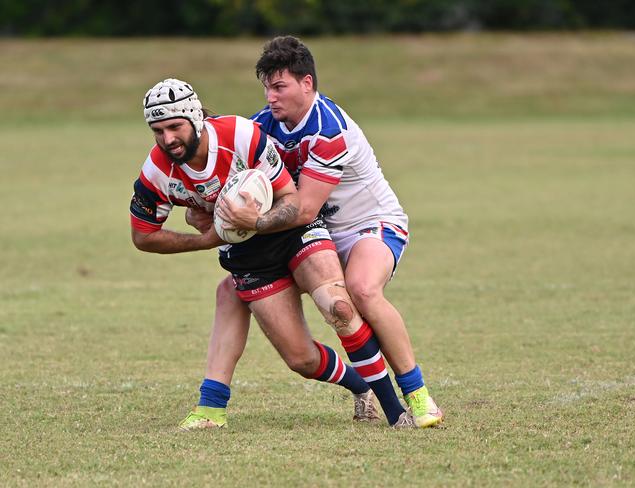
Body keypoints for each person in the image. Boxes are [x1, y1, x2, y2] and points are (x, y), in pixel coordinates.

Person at [187, 36, 444, 428]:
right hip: (313, 233)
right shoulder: (262, 127)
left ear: (307, 84)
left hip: (369, 225)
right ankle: (210, 407)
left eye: (280, 87)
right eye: (267, 88)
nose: (271, 97)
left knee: (361, 289)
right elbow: (238, 184)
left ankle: (419, 397)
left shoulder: (328, 129)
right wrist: (211, 212)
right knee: (233, 293)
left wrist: (249, 221)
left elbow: (303, 207)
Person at [130, 78, 414, 430]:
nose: (168, 138)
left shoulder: (240, 135)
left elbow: (292, 200)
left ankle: (397, 413)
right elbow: (143, 236)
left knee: (338, 306)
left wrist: (258, 221)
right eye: (157, 130)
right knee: (302, 360)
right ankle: (360, 386)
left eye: (175, 126)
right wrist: (208, 238)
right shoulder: (157, 171)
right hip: (249, 257)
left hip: (293, 232)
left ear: (195, 118)